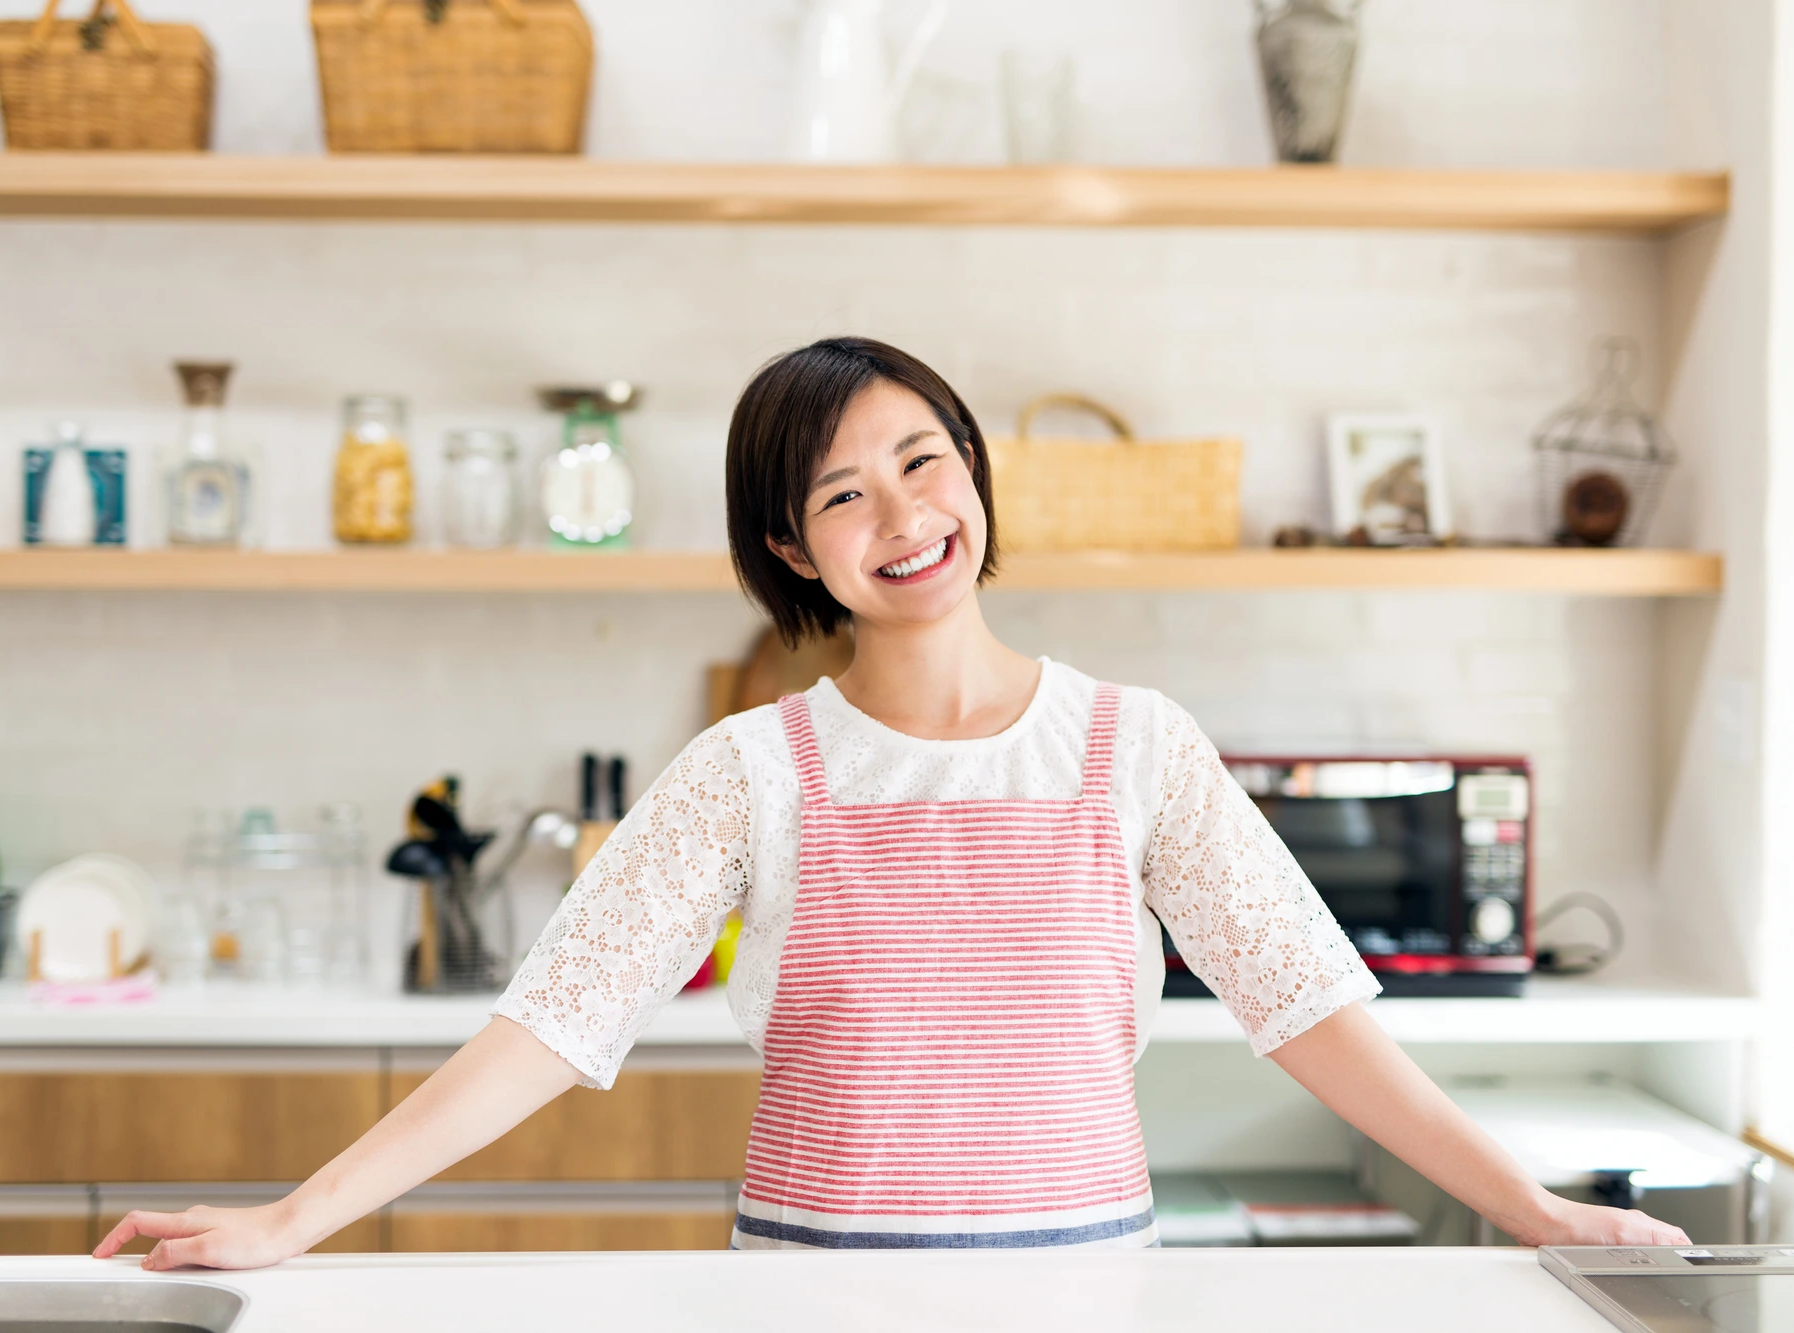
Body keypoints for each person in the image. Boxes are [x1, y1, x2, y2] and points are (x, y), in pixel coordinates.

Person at [95, 336, 1688, 1266]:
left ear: (974, 474)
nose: (905, 515)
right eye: (844, 494)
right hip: (814, 1295)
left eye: (926, 463)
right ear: (793, 549)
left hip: (1085, 1294)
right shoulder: (749, 770)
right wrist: (294, 1218)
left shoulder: (1134, 746)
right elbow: (551, 1025)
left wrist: (1530, 1210)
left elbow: (1311, 1010)